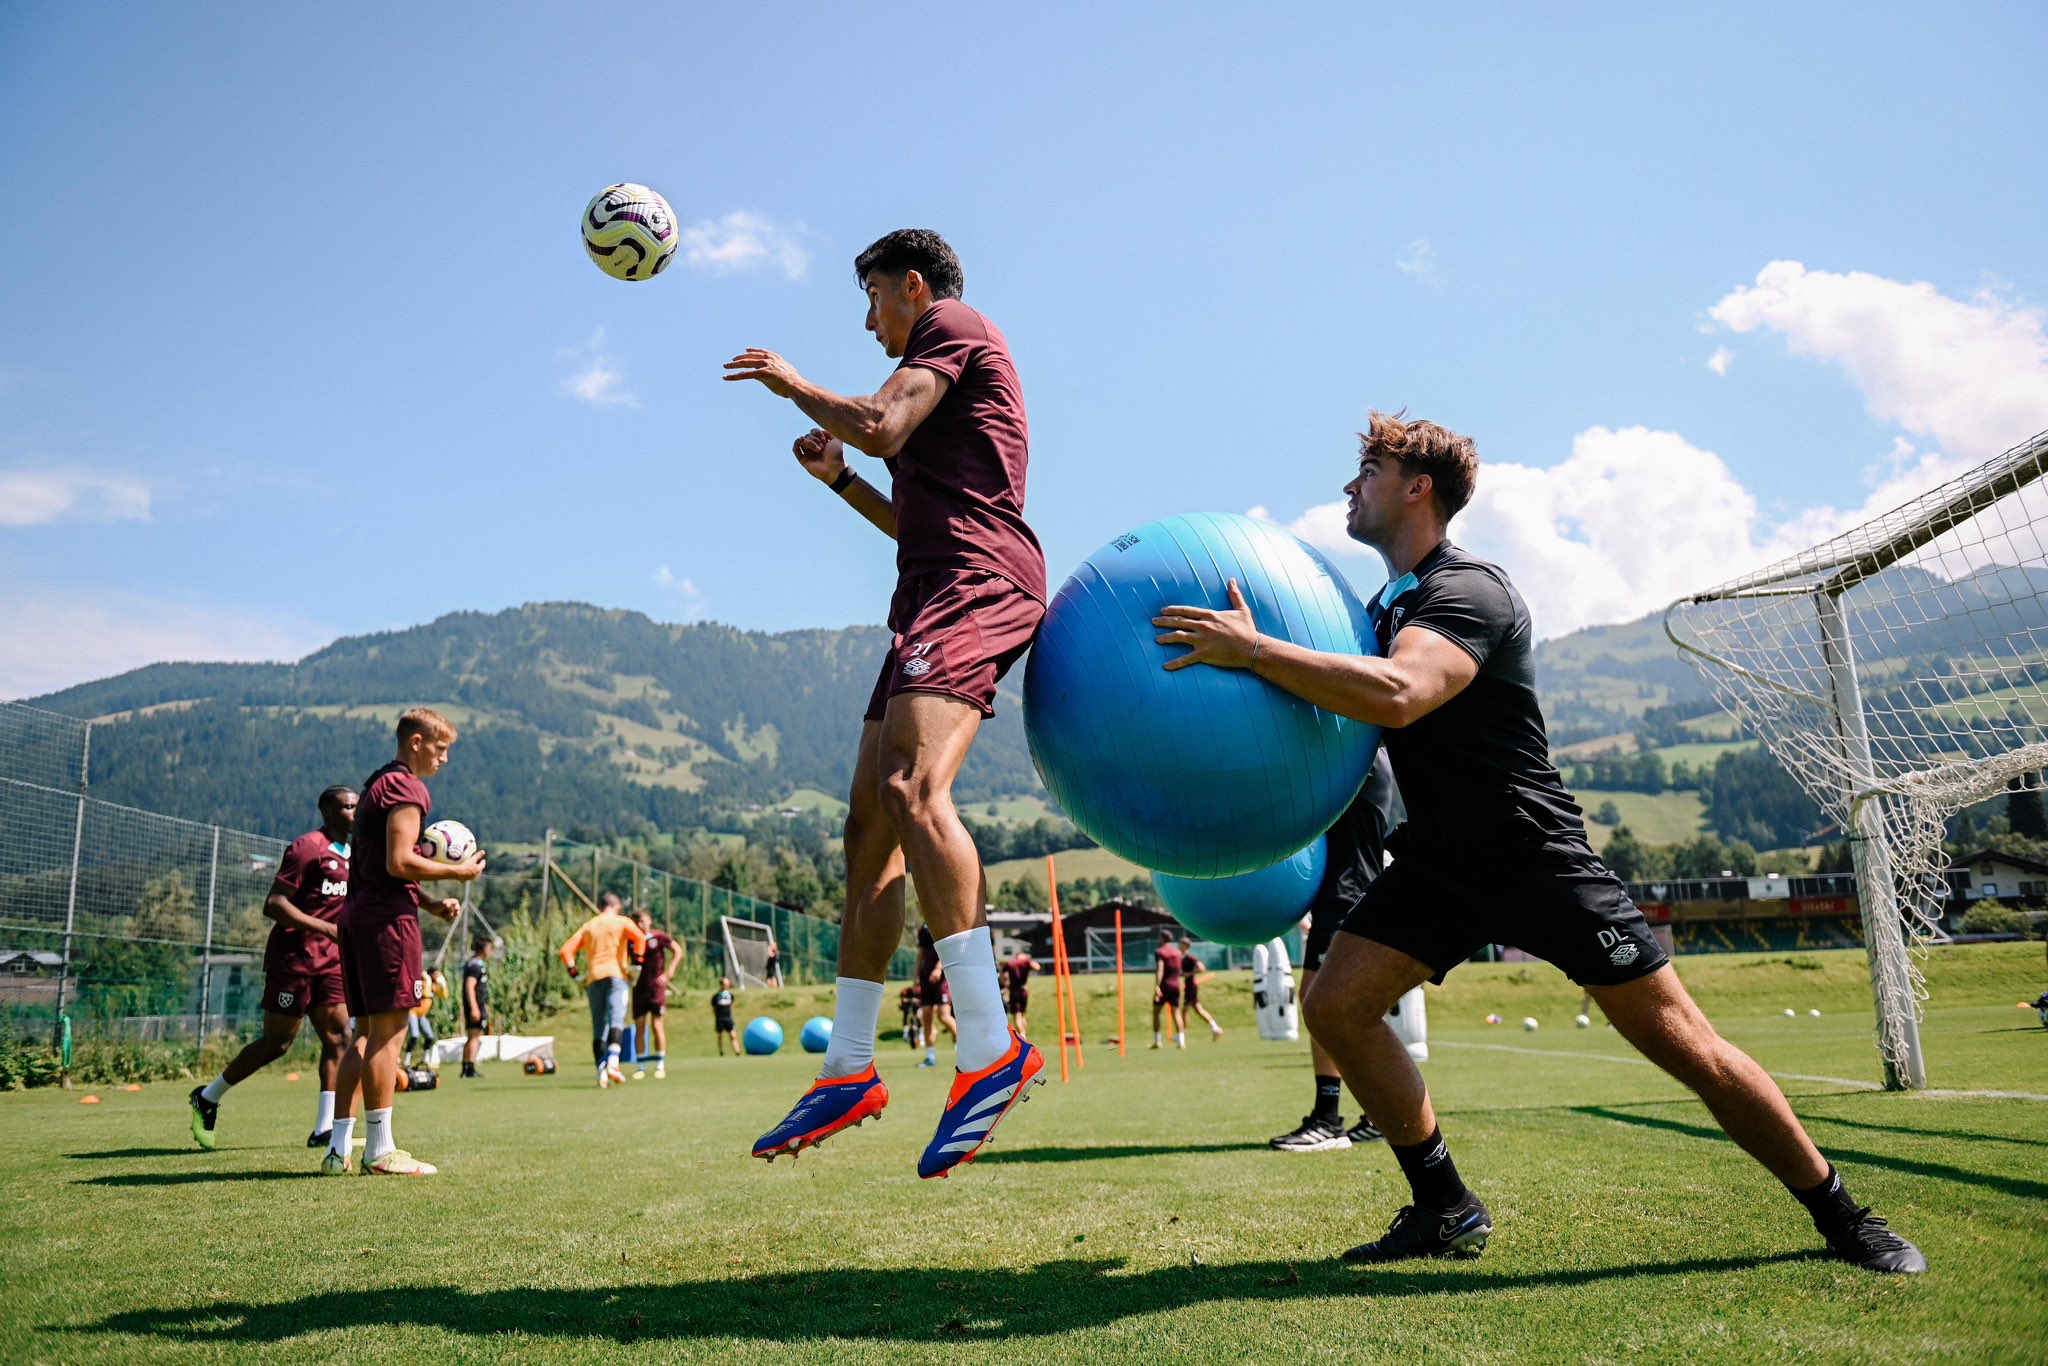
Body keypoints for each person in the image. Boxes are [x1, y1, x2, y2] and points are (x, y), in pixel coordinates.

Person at [1154, 410, 1925, 1273]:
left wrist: (1255, 649)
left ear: (1419, 488)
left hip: (1533, 856)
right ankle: (1444, 1207)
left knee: (1687, 1047)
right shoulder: (1383, 606)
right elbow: (1341, 716)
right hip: (1441, 862)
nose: (1349, 484)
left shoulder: (1469, 590)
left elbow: (1402, 693)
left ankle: (1843, 1217)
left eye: (1369, 467)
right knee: (1336, 1005)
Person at [730, 228, 1049, 1177]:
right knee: (868, 828)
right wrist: (839, 482)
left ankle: (992, 1049)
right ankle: (849, 1066)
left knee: (915, 791)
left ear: (915, 288)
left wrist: (793, 382)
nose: (869, 322)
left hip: (980, 583)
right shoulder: (927, 386)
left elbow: (877, 419)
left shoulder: (952, 325)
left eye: (873, 300)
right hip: (928, 589)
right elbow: (906, 510)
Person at [323, 709, 484, 1177]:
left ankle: (338, 1151)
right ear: (416, 742)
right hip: (385, 924)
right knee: (390, 1034)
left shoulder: (377, 783)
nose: (445, 758)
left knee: (366, 1032)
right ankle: (380, 1150)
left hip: (358, 915)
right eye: (440, 748)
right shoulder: (408, 787)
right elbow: (398, 861)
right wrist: (461, 871)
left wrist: (430, 904)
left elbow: (379, 866)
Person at [189, 785, 357, 1152]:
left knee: (339, 1039)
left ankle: (324, 1128)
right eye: (347, 807)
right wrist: (325, 928)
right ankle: (208, 1097)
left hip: (331, 964)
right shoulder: (307, 848)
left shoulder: (354, 855)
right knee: (277, 1044)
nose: (355, 813)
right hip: (293, 960)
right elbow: (275, 904)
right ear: (328, 812)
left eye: (357, 806)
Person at [1271, 753, 1398, 1154]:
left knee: (1320, 1003)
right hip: (1343, 893)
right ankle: (1381, 1115)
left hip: (1347, 894)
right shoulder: (1357, 755)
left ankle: (1328, 1119)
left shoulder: (1358, 759)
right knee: (1350, 1009)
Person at [559, 892, 648, 1089]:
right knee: (616, 1019)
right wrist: (637, 963)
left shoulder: (589, 926)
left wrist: (574, 974)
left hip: (594, 978)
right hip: (617, 976)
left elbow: (566, 951)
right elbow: (641, 939)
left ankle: (601, 1073)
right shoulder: (621, 922)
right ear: (616, 906)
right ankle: (614, 1064)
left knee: (599, 1026)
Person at [632, 909, 679, 1080]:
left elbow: (677, 950)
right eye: (636, 921)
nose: (640, 924)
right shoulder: (632, 940)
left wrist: (669, 972)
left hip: (656, 989)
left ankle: (660, 1064)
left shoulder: (659, 937)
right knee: (640, 1027)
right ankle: (641, 1066)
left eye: (642, 920)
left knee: (657, 1025)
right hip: (639, 989)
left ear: (649, 920)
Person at [913, 924, 957, 1069]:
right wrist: (916, 977)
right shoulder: (922, 930)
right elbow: (920, 954)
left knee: (943, 1015)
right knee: (926, 1015)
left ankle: (965, 1045)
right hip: (925, 977)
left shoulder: (939, 921)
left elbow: (947, 949)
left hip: (941, 977)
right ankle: (931, 1057)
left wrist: (938, 968)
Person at [1177, 937, 1223, 1041]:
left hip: (1191, 986)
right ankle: (1215, 1028)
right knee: (1198, 1010)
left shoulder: (1189, 957)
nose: (1179, 945)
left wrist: (1189, 974)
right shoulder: (1182, 957)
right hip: (1189, 986)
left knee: (1185, 1010)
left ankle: (1182, 1035)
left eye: (1181, 943)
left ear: (1186, 946)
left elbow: (1201, 968)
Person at [460, 936, 492, 1079]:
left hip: (479, 1005)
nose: (491, 950)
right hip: (475, 1006)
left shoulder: (476, 963)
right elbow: (469, 986)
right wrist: (474, 1007)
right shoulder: (475, 965)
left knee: (472, 1035)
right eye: (490, 947)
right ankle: (470, 1069)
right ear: (484, 948)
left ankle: (466, 1067)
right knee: (475, 1035)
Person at [403, 969, 446, 1069]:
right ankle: (407, 1060)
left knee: (430, 1036)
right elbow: (424, 993)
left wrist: (443, 985)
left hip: (422, 1016)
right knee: (414, 1035)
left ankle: (426, 1059)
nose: (438, 975)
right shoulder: (422, 983)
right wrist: (427, 981)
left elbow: (444, 996)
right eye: (436, 974)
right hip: (413, 1013)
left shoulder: (434, 987)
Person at [1151, 928, 1185, 1049]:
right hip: (1176, 985)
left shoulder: (1160, 952)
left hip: (1164, 985)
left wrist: (1157, 986)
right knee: (1176, 1012)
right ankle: (1181, 1041)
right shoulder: (1177, 952)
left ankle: (1157, 1041)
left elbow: (1160, 969)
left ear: (1162, 938)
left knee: (1156, 1011)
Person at [1002, 948, 1043, 1039]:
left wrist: (1006, 984)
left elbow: (1004, 976)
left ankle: (1022, 1035)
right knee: (1023, 1013)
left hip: (1014, 990)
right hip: (1023, 990)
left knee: (1017, 1014)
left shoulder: (1010, 963)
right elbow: (1037, 967)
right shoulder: (1026, 962)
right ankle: (1024, 1034)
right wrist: (1028, 961)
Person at [712, 977, 738, 1057]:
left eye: (727, 984)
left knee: (733, 1035)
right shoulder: (716, 996)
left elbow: (731, 1005)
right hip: (720, 1018)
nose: (726, 985)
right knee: (720, 1035)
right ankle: (721, 1051)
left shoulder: (731, 995)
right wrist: (717, 1016)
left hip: (728, 1018)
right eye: (724, 984)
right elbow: (714, 1009)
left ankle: (737, 1051)